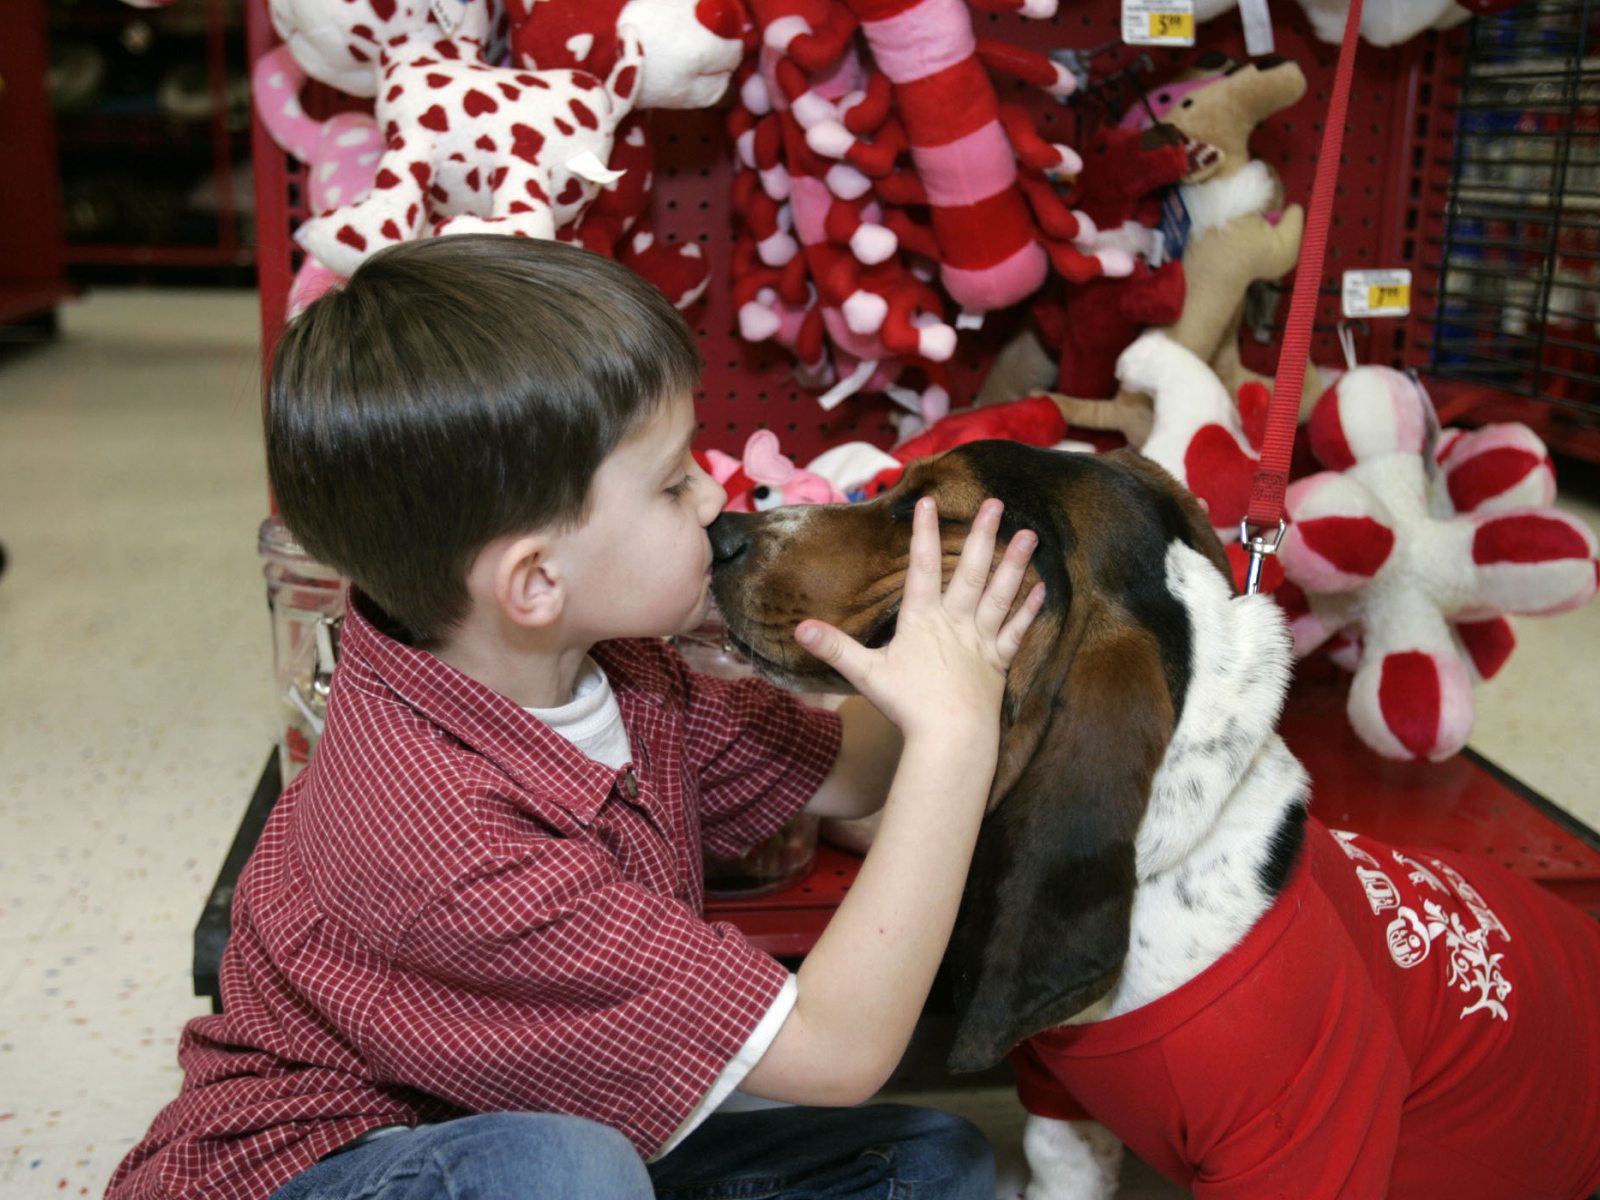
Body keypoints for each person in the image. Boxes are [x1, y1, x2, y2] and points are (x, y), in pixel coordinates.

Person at [105, 235, 1044, 1200]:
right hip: (329, 1167)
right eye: (674, 483)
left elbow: (851, 768)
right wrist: (956, 734)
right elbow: (838, 1051)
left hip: (529, 1124)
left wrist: (965, 657)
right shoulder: (442, 840)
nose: (715, 497)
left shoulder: (623, 675)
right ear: (537, 581)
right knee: (567, 1173)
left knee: (928, 1160)